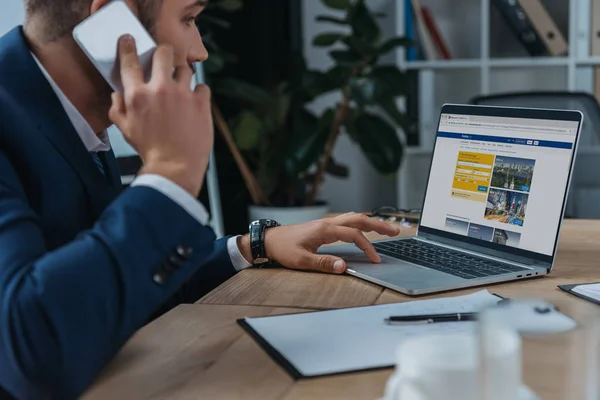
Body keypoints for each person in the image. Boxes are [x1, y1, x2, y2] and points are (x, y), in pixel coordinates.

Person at [0, 0, 399, 398]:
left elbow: (108, 288)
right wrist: (169, 174)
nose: (200, 51)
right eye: (189, 19)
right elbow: (29, 353)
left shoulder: (77, 120)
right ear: (113, 19)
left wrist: (254, 246)